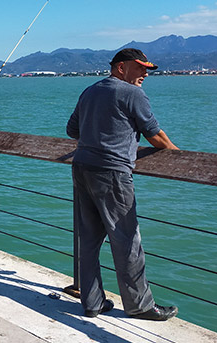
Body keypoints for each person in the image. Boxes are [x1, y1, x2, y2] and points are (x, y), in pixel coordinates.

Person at [66, 48, 179, 321]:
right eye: (139, 68)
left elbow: (72, 130)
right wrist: (177, 155)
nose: (145, 74)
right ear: (120, 68)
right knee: (127, 240)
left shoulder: (90, 91)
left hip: (82, 168)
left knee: (89, 239)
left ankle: (92, 303)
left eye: (147, 69)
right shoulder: (132, 94)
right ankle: (140, 306)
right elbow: (155, 134)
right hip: (113, 173)